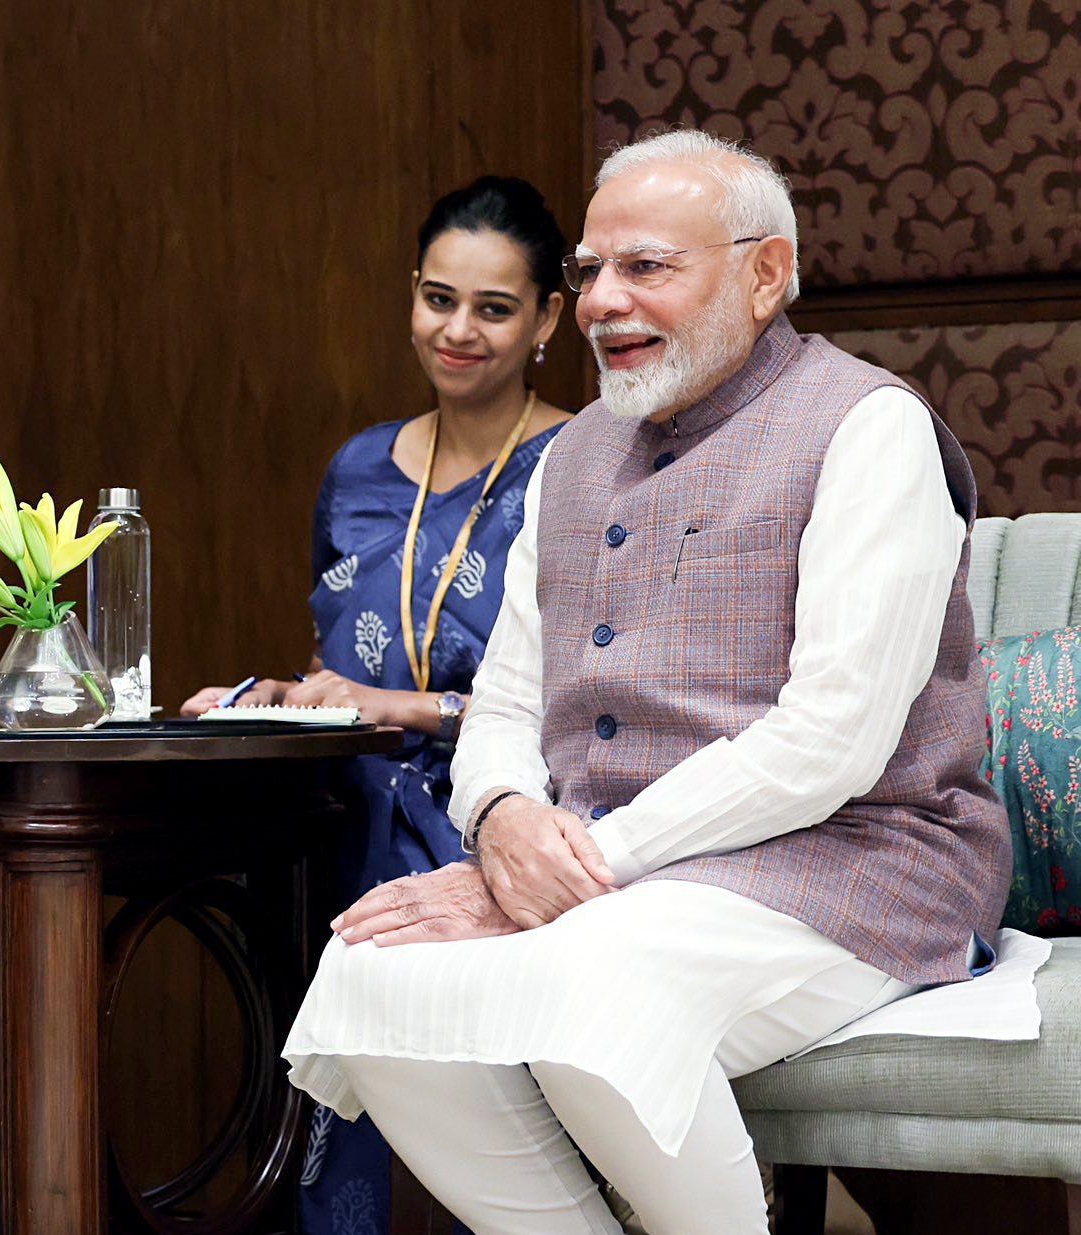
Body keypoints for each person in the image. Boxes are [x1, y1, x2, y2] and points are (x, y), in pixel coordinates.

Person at [280, 129, 1014, 1235]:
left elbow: (831, 738)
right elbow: (510, 702)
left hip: (861, 862)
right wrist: (497, 820)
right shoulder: (569, 456)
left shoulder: (866, 427)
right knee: (375, 973)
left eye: (645, 268)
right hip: (623, 880)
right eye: (587, 271)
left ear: (764, 275)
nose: (597, 301)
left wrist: (571, 867)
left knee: (595, 985)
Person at [183, 175, 571, 1235]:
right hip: (338, 804)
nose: (457, 330)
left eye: (493, 308)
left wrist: (398, 709)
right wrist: (271, 696)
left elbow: (580, 705)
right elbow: (339, 659)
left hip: (490, 813)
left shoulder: (578, 468)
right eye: (436, 297)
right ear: (410, 292)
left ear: (548, 318)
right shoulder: (356, 465)